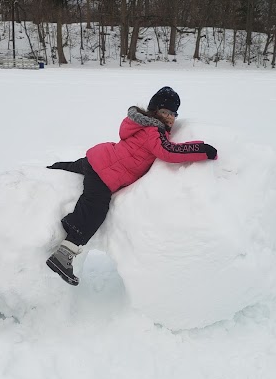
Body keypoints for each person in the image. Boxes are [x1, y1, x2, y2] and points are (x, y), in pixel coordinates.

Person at [46, 87, 217, 285]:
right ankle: (64, 253)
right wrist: (202, 149)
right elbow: (169, 151)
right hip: (104, 173)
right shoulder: (154, 131)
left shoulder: (145, 127)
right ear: (154, 111)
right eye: (165, 112)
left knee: (71, 167)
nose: (170, 117)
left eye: (173, 113)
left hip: (100, 159)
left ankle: (50, 169)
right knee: (96, 209)